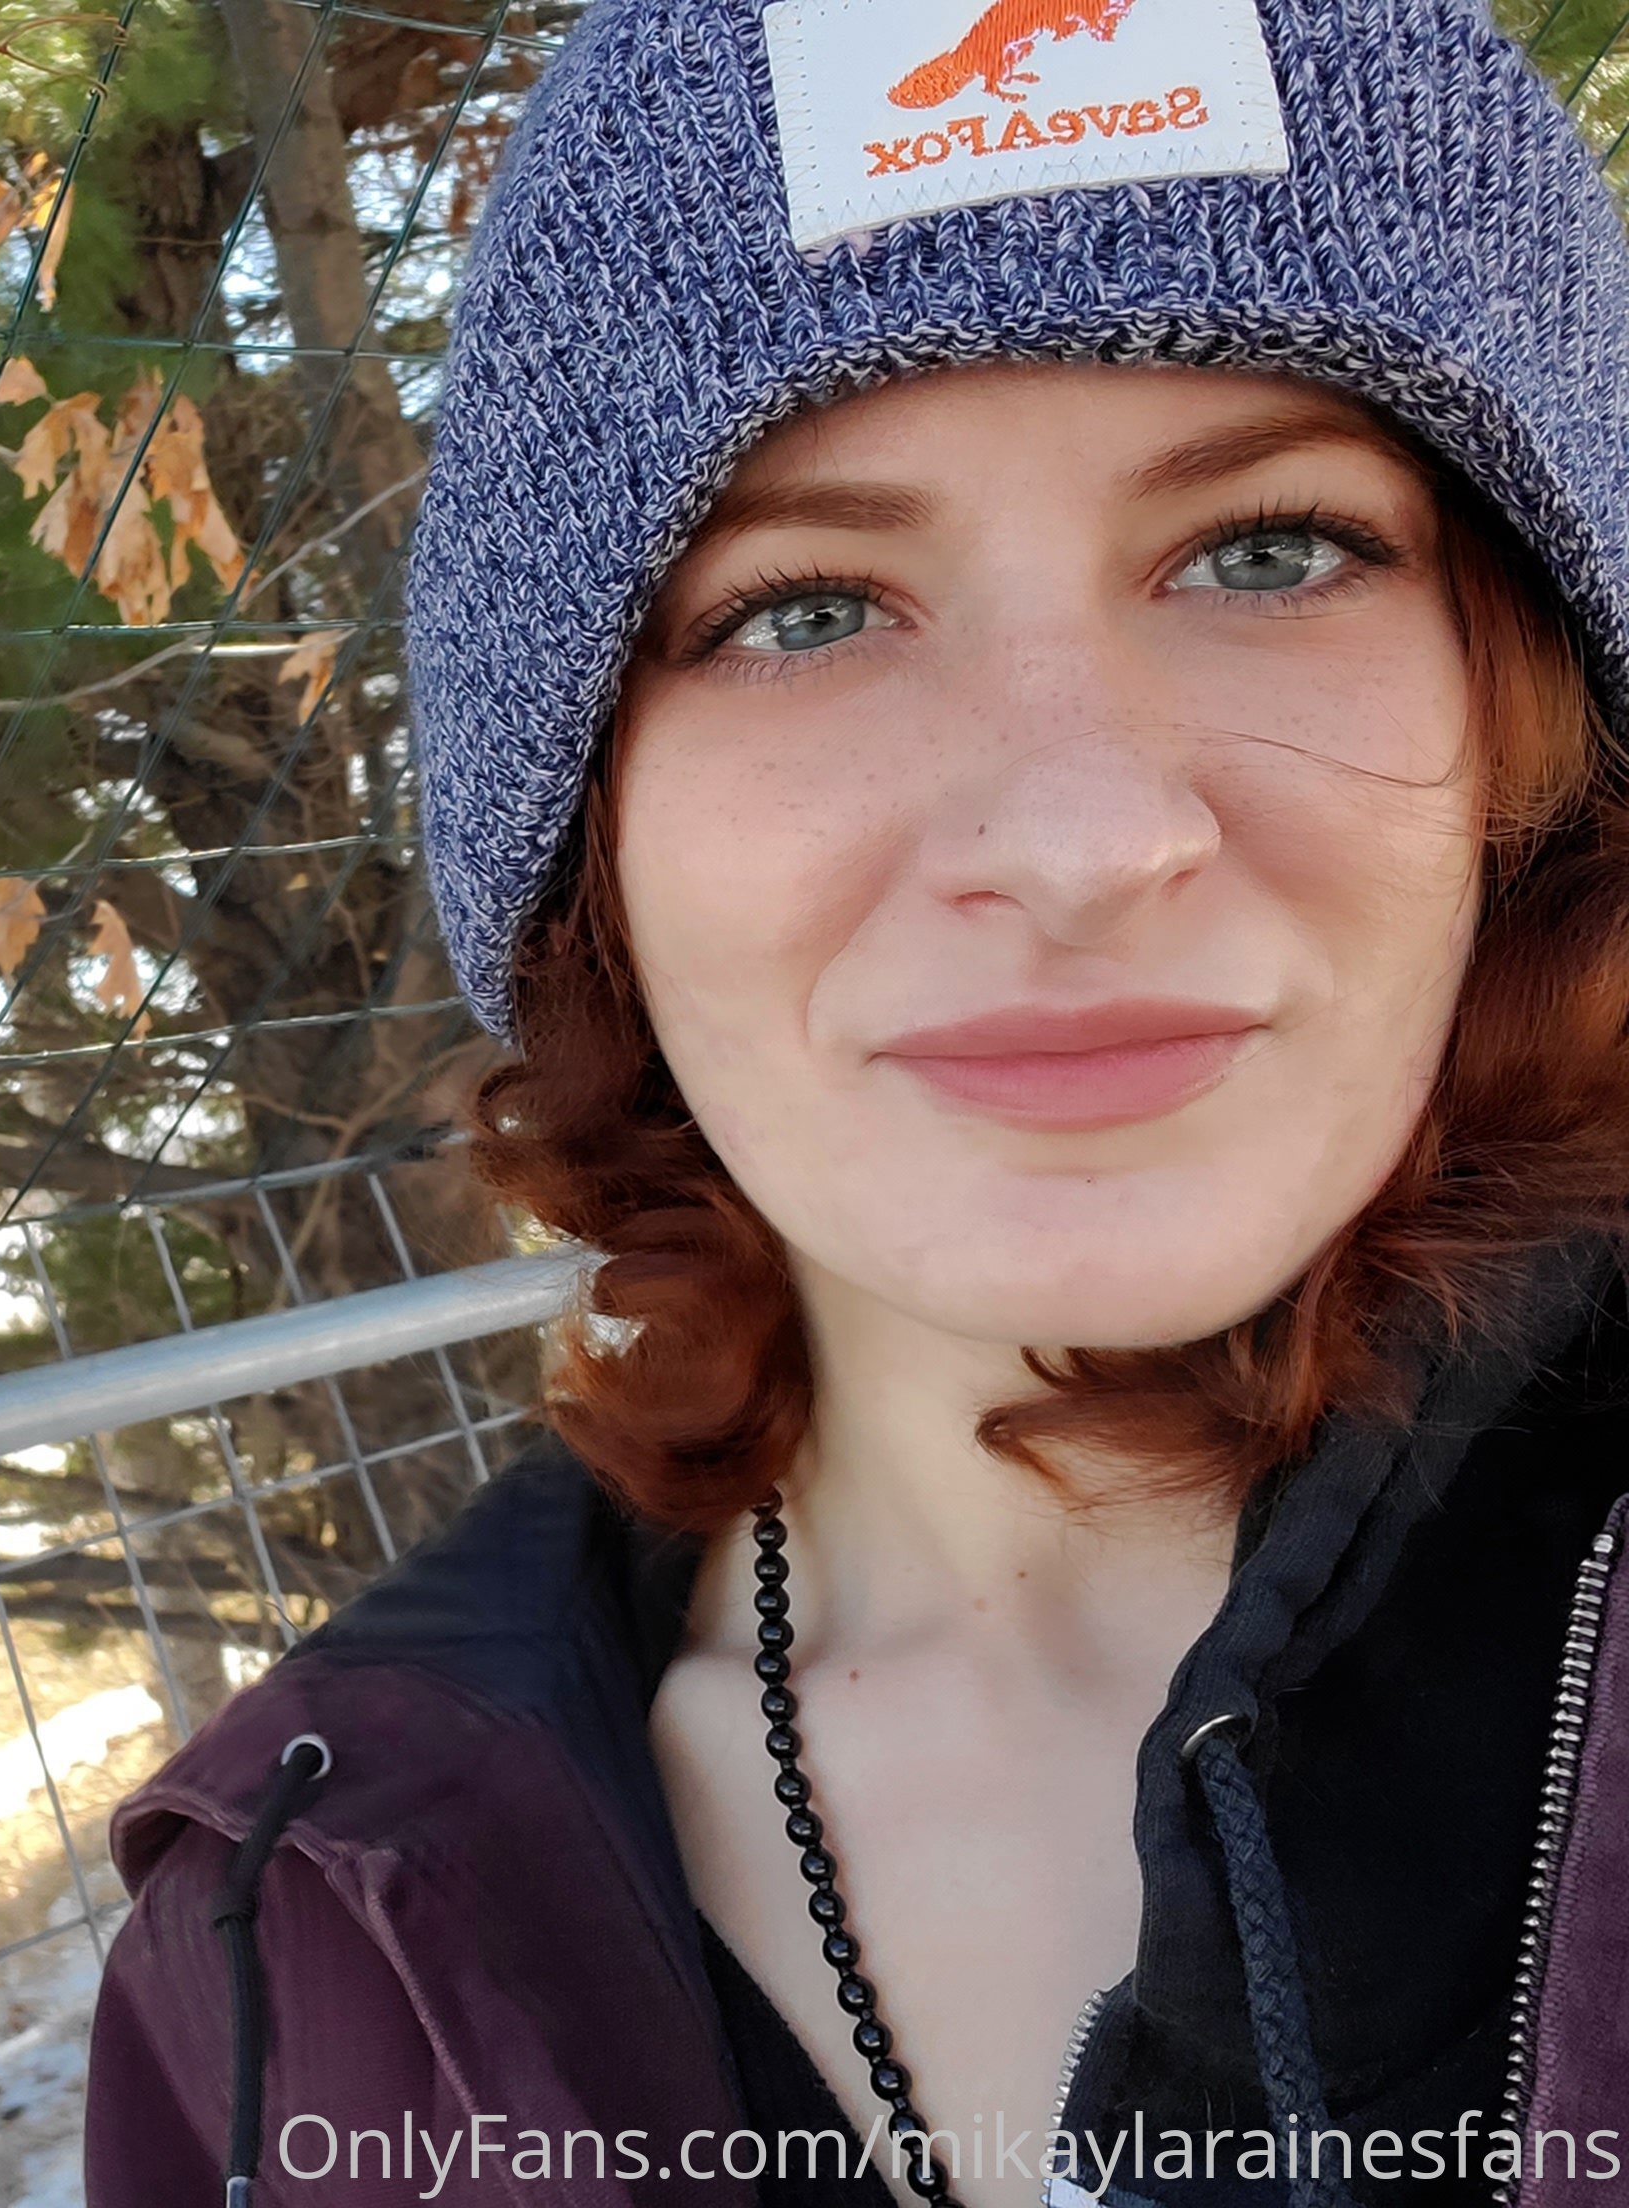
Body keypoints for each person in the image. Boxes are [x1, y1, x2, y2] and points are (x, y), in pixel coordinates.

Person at [80, 0, 1629, 2204]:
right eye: (804, 609)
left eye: (1268, 552)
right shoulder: (291, 1951)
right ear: (591, 848)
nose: (1081, 838)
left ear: (1529, 730)